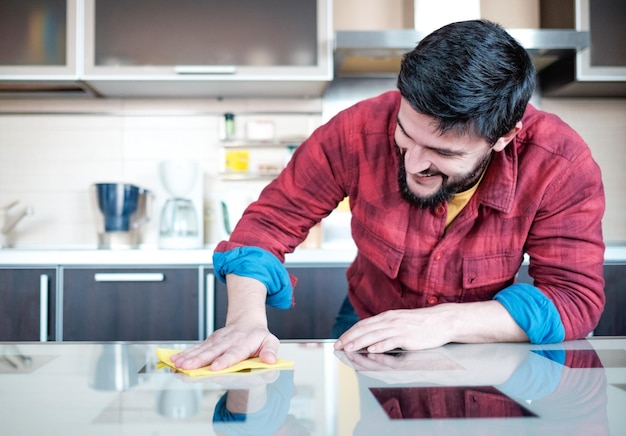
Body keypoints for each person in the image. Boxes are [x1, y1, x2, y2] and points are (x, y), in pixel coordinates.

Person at [171, 19, 605, 371]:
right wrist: (245, 320)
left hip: (482, 333)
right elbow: (269, 223)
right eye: (405, 134)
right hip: (367, 318)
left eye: (443, 152)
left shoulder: (559, 163)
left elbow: (575, 297)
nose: (414, 164)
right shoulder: (355, 129)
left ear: (504, 137)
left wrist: (445, 322)